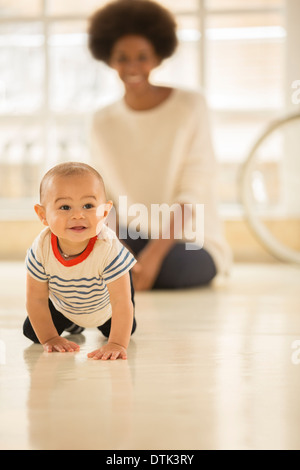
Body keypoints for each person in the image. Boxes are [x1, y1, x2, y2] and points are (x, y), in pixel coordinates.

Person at [88, 0, 231, 291]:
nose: (132, 67)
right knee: (73, 254)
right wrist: (117, 249)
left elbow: (193, 187)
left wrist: (152, 255)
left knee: (173, 268)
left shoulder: (190, 106)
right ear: (109, 59)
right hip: (129, 234)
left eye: (142, 56)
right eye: (122, 57)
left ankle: (129, 274)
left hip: (188, 240)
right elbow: (104, 196)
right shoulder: (102, 121)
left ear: (157, 57)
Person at [23, 162, 136, 360]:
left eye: (88, 206)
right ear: (43, 215)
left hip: (106, 306)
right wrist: (50, 338)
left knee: (124, 328)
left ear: (105, 212)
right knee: (33, 332)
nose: (78, 215)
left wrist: (117, 343)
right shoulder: (41, 248)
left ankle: (92, 323)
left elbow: (120, 302)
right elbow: (36, 299)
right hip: (65, 303)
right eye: (65, 207)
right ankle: (74, 322)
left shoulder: (107, 248)